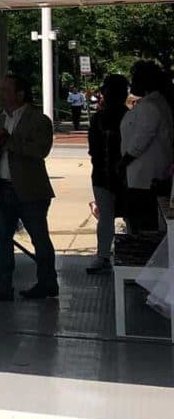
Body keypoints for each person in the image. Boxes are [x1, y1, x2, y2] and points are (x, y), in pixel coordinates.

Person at [0, 73, 58, 302]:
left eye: (5, 90)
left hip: (30, 190)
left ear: (20, 94)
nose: (1, 94)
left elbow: (40, 150)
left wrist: (9, 142)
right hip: (0, 188)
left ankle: (47, 283)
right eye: (0, 90)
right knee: (1, 240)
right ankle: (2, 286)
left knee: (39, 238)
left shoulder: (39, 120)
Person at [119, 60, 172, 234]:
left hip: (145, 177)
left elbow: (141, 139)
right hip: (144, 174)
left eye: (134, 79)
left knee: (144, 225)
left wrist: (124, 161)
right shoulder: (152, 103)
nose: (132, 84)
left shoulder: (150, 106)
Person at [87, 73, 129, 274]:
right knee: (118, 216)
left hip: (110, 175)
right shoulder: (124, 117)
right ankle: (109, 256)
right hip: (111, 176)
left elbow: (94, 149)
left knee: (109, 217)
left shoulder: (101, 119)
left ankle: (105, 256)